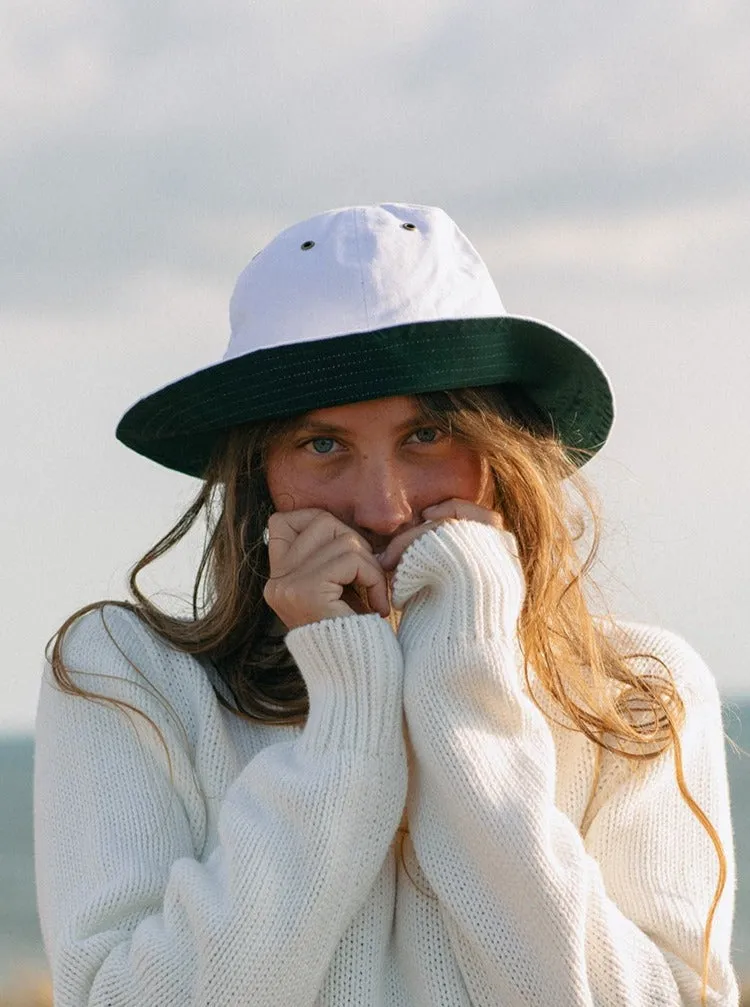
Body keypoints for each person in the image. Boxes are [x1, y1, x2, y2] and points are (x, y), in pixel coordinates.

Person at [34, 202, 739, 1006]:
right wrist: (347, 720)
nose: (381, 507)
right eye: (323, 444)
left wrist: (461, 688)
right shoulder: (128, 676)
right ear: (260, 471)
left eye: (428, 436)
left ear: (503, 447)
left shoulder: (635, 693)